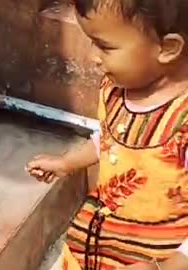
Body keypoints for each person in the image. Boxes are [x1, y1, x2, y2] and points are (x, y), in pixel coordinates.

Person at [27, 0, 188, 269]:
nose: (93, 56)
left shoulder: (182, 120)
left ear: (168, 48)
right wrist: (67, 162)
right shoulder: (117, 89)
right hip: (98, 242)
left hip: (155, 256)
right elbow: (111, 140)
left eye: (105, 46)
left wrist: (170, 265)